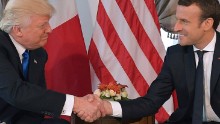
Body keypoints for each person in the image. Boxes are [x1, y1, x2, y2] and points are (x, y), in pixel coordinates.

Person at [78, 0, 220, 123]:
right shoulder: (175, 55)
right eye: (177, 19)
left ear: (207, 23)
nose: (176, 27)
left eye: (184, 21)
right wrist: (107, 107)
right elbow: (151, 102)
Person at [0, 0, 104, 123]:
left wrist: (81, 104)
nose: (50, 30)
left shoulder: (38, 53)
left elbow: (34, 101)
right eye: (42, 25)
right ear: (18, 30)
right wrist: (75, 103)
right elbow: (16, 92)